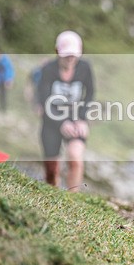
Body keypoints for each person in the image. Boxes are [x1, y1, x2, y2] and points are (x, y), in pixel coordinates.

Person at [35, 31, 94, 191]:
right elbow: (44, 100)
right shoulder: (47, 70)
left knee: (75, 157)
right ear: (57, 52)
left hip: (75, 119)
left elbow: (89, 94)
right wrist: (61, 123)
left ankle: (72, 199)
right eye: (66, 55)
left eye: (74, 55)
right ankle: (53, 200)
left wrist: (82, 119)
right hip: (51, 121)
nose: (70, 59)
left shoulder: (85, 68)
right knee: (52, 170)